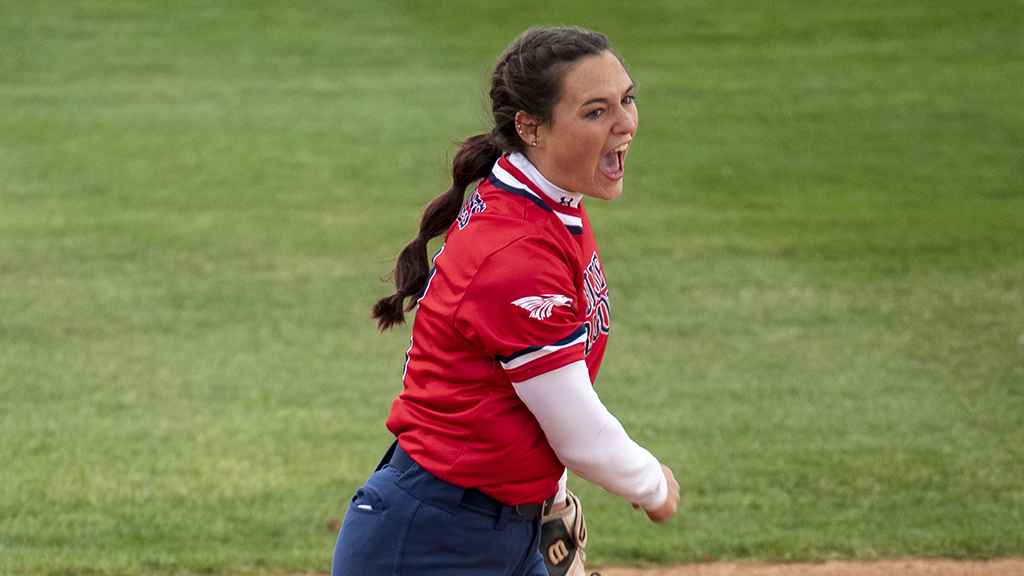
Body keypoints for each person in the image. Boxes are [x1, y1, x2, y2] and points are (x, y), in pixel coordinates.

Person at [331, 26, 681, 576]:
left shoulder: (547, 203)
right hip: (432, 543)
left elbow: (515, 392)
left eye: (627, 99)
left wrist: (546, 490)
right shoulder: (515, 252)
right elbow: (577, 429)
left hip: (501, 527)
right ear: (530, 127)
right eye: (595, 111)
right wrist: (652, 484)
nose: (625, 123)